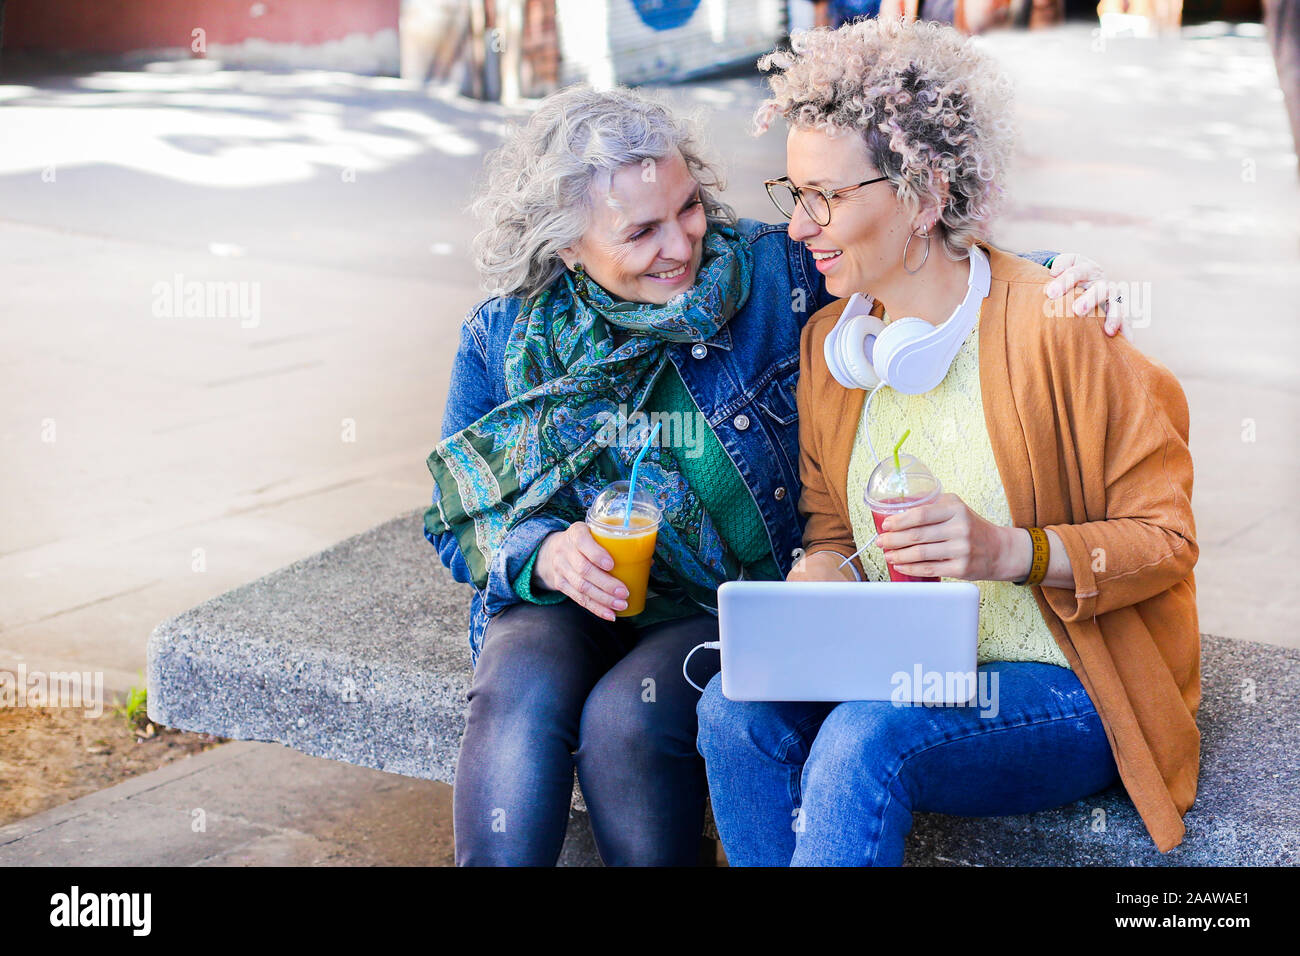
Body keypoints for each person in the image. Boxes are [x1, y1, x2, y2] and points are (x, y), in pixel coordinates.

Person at [425, 82, 1114, 866]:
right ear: (566, 245)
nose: (681, 244)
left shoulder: (769, 273)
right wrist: (545, 553)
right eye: (641, 231)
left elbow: (926, 262)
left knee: (625, 721)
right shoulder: (504, 334)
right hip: (575, 595)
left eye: (688, 208)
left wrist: (1058, 272)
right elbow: (458, 523)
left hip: (724, 606)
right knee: (515, 688)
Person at [695, 17, 1199, 866]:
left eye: (827, 196)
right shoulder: (833, 353)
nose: (798, 226)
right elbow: (833, 534)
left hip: (1067, 684)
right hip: (904, 669)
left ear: (925, 194)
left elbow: (1168, 543)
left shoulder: (1059, 325)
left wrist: (1010, 551)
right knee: (730, 710)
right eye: (794, 192)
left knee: (865, 740)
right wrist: (831, 572)